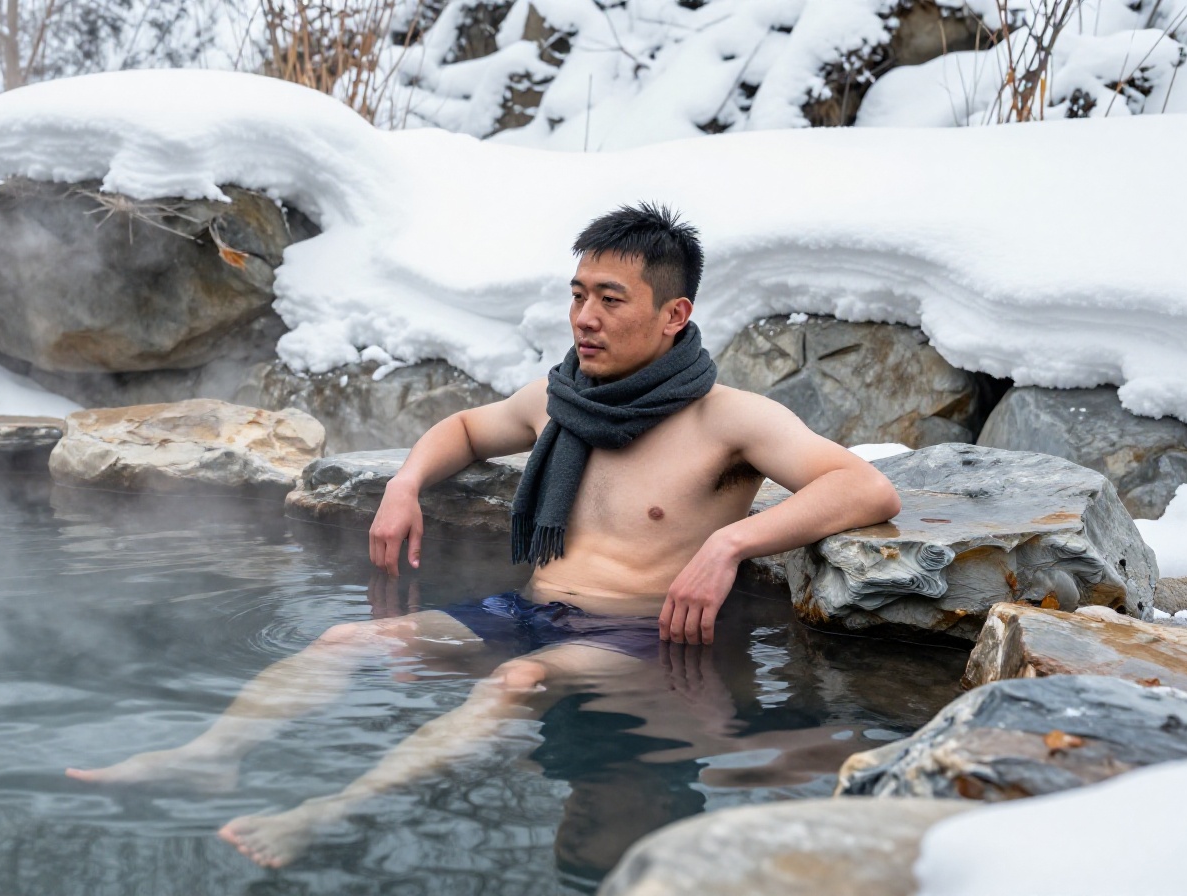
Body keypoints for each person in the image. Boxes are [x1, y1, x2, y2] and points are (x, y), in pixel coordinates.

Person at [67, 203, 901, 868]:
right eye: (578, 294)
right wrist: (404, 485)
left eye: (611, 300)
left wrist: (728, 544)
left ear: (673, 314)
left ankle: (329, 811)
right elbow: (466, 429)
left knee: (514, 683)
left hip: (638, 640)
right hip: (529, 610)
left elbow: (865, 486)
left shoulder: (729, 421)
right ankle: (211, 755)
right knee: (346, 640)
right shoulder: (562, 400)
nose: (585, 318)